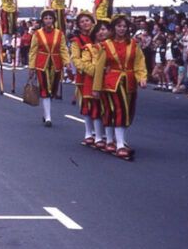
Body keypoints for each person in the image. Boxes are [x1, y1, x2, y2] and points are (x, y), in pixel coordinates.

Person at [92, 15, 148, 160]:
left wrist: (141, 77)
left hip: (129, 82)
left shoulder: (133, 44)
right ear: (113, 28)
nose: (122, 29)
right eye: (119, 26)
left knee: (125, 110)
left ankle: (111, 140)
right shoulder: (106, 45)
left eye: (124, 26)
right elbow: (99, 68)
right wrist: (96, 88)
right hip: (111, 83)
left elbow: (139, 63)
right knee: (119, 110)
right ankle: (120, 144)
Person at [28, 9, 71, 127]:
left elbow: (63, 49)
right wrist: (31, 67)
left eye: (50, 18)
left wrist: (67, 62)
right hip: (42, 64)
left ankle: (46, 112)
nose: (48, 20)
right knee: (45, 89)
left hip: (56, 64)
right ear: (42, 20)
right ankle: (48, 117)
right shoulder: (37, 34)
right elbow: (33, 51)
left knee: (53, 90)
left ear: (54, 20)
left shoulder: (59, 33)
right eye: (46, 18)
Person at [71, 13, 106, 146]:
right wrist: (88, 70)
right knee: (87, 103)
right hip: (85, 75)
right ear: (78, 25)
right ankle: (88, 132)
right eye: (82, 21)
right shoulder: (77, 40)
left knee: (102, 104)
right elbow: (75, 58)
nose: (85, 23)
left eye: (87, 20)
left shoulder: (99, 35)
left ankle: (101, 133)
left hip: (102, 75)